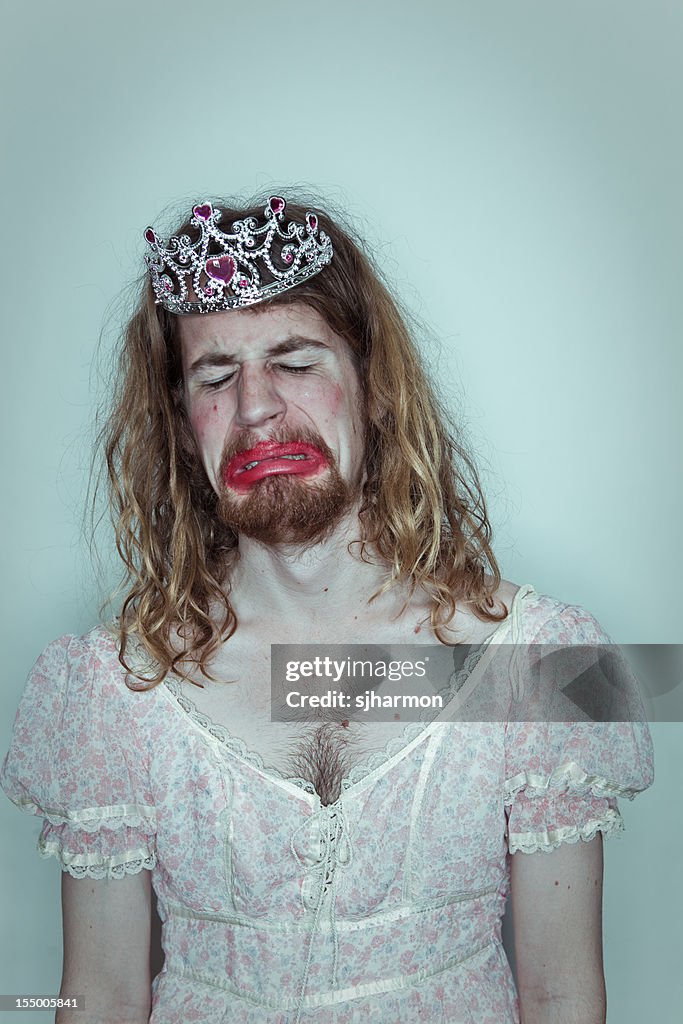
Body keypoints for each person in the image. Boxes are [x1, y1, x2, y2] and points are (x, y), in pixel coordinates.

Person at [1, 194, 654, 1024]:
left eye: (296, 361)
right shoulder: (110, 689)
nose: (256, 407)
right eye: (216, 374)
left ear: (374, 387)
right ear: (182, 420)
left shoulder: (548, 661)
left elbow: (561, 997)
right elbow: (98, 999)